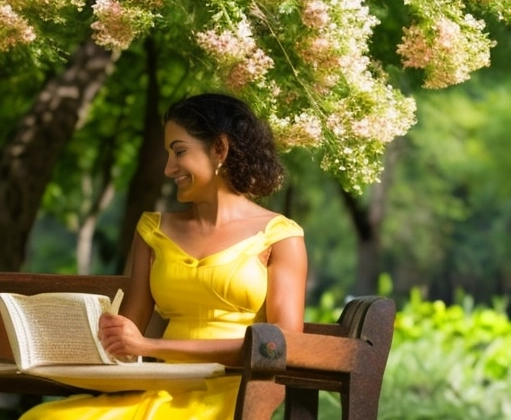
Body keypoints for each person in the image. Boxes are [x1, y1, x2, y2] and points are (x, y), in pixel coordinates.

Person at [20, 93, 308, 420]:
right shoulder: (153, 230)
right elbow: (129, 329)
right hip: (161, 388)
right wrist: (86, 333)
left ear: (220, 149)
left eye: (180, 152)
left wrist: (149, 347)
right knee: (42, 417)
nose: (169, 168)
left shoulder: (280, 236)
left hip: (237, 395)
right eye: (168, 154)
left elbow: (281, 346)